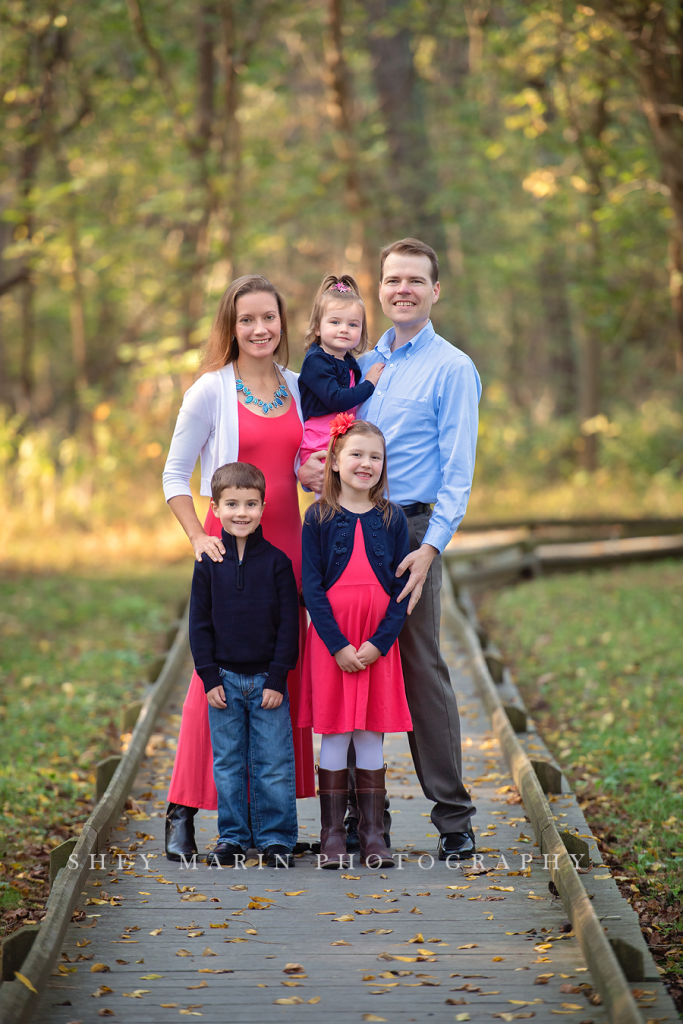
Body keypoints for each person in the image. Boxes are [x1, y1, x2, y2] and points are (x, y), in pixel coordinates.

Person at [298, 237, 481, 862]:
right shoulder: (355, 359)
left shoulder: (452, 368)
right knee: (344, 656)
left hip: (409, 528)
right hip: (344, 522)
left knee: (420, 663)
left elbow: (458, 473)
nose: (402, 289)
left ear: (435, 291)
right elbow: (322, 429)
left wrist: (430, 549)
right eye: (392, 279)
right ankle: (351, 820)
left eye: (415, 280)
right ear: (380, 287)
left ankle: (453, 818)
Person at [162, 274, 316, 862]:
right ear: (232, 326)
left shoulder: (300, 388)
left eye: (269, 318)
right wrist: (200, 536)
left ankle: (269, 819)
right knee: (214, 684)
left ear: (282, 324)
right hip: (229, 552)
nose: (259, 329)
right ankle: (183, 811)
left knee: (280, 675)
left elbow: (311, 461)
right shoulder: (209, 391)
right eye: (247, 319)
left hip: (289, 550)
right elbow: (176, 477)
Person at [299, 415, 411, 869]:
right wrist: (337, 645)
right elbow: (310, 586)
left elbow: (403, 590)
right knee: (334, 731)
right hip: (334, 641)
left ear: (384, 466)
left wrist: (381, 643)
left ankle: (372, 833)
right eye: (357, 455)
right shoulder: (319, 517)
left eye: (375, 457)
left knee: (369, 732)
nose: (366, 464)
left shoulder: (393, 517)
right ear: (336, 462)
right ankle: (330, 834)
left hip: (376, 640)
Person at [190, 462, 299, 868]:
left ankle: (276, 839)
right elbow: (198, 623)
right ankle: (233, 837)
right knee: (229, 762)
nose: (241, 512)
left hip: (266, 681)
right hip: (224, 682)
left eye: (250, 504)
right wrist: (208, 676)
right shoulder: (207, 563)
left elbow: (290, 625)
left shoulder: (277, 563)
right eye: (232, 503)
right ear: (215, 508)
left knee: (272, 762)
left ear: (263, 506)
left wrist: (277, 676)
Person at [298, 274, 385, 471]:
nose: (344, 329)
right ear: (317, 328)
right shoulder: (316, 361)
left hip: (342, 441)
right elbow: (336, 399)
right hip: (320, 441)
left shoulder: (349, 360)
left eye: (353, 324)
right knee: (331, 496)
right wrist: (369, 384)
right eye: (335, 322)